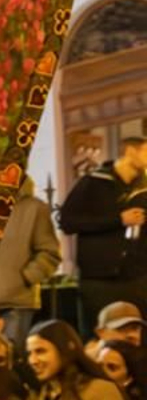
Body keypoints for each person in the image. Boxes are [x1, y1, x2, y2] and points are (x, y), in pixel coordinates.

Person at [60, 136, 147, 332]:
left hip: (138, 278)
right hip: (99, 281)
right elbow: (68, 222)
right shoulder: (93, 182)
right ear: (130, 151)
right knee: (99, 335)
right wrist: (118, 220)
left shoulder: (144, 187)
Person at [0, 179, 61, 346]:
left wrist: (24, 278)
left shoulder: (34, 208)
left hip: (17, 303)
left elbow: (50, 253)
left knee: (12, 357)